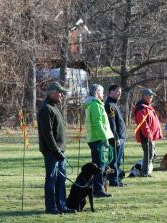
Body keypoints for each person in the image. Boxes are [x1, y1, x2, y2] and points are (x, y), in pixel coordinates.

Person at [37, 81, 75, 214]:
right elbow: (47, 133)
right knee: (52, 179)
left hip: (59, 151)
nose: (62, 96)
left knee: (61, 178)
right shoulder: (46, 108)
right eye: (60, 93)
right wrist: (55, 150)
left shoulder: (54, 106)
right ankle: (51, 207)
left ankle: (61, 205)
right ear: (52, 93)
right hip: (52, 151)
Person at [83, 84, 114, 197]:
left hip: (95, 137)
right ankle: (98, 190)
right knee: (99, 166)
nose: (103, 94)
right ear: (96, 93)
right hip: (97, 138)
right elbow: (98, 123)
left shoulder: (94, 104)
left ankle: (98, 188)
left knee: (99, 164)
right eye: (101, 92)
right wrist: (104, 138)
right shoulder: (95, 105)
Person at [132, 88, 162, 177]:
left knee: (150, 154)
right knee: (148, 154)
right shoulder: (141, 107)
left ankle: (146, 172)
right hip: (146, 135)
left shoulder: (147, 106)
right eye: (150, 96)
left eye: (152, 96)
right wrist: (148, 134)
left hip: (150, 135)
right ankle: (144, 173)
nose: (151, 97)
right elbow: (142, 123)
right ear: (144, 96)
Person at [105, 84, 126, 187]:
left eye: (120, 92)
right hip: (116, 138)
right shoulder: (109, 105)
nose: (120, 93)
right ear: (111, 92)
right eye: (117, 91)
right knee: (114, 160)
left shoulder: (114, 104)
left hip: (121, 137)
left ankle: (117, 178)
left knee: (118, 160)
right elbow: (111, 123)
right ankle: (113, 180)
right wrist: (116, 138)